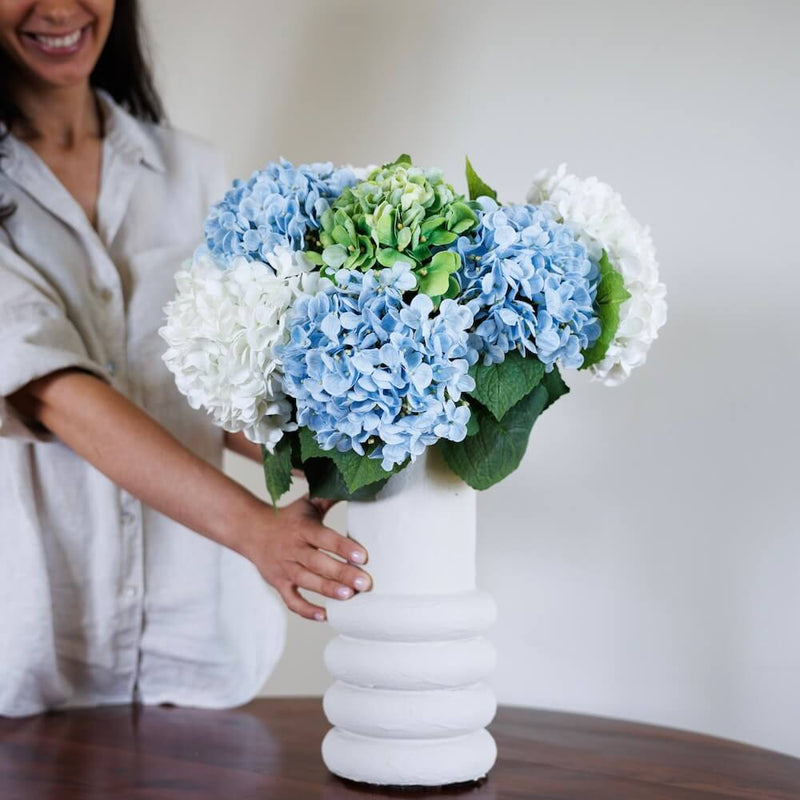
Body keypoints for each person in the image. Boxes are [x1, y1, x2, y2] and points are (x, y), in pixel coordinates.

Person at [0, 0, 372, 717]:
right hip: (34, 643)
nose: (58, 7)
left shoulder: (189, 168)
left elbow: (214, 387)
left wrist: (343, 449)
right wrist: (257, 530)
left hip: (201, 643)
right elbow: (51, 391)